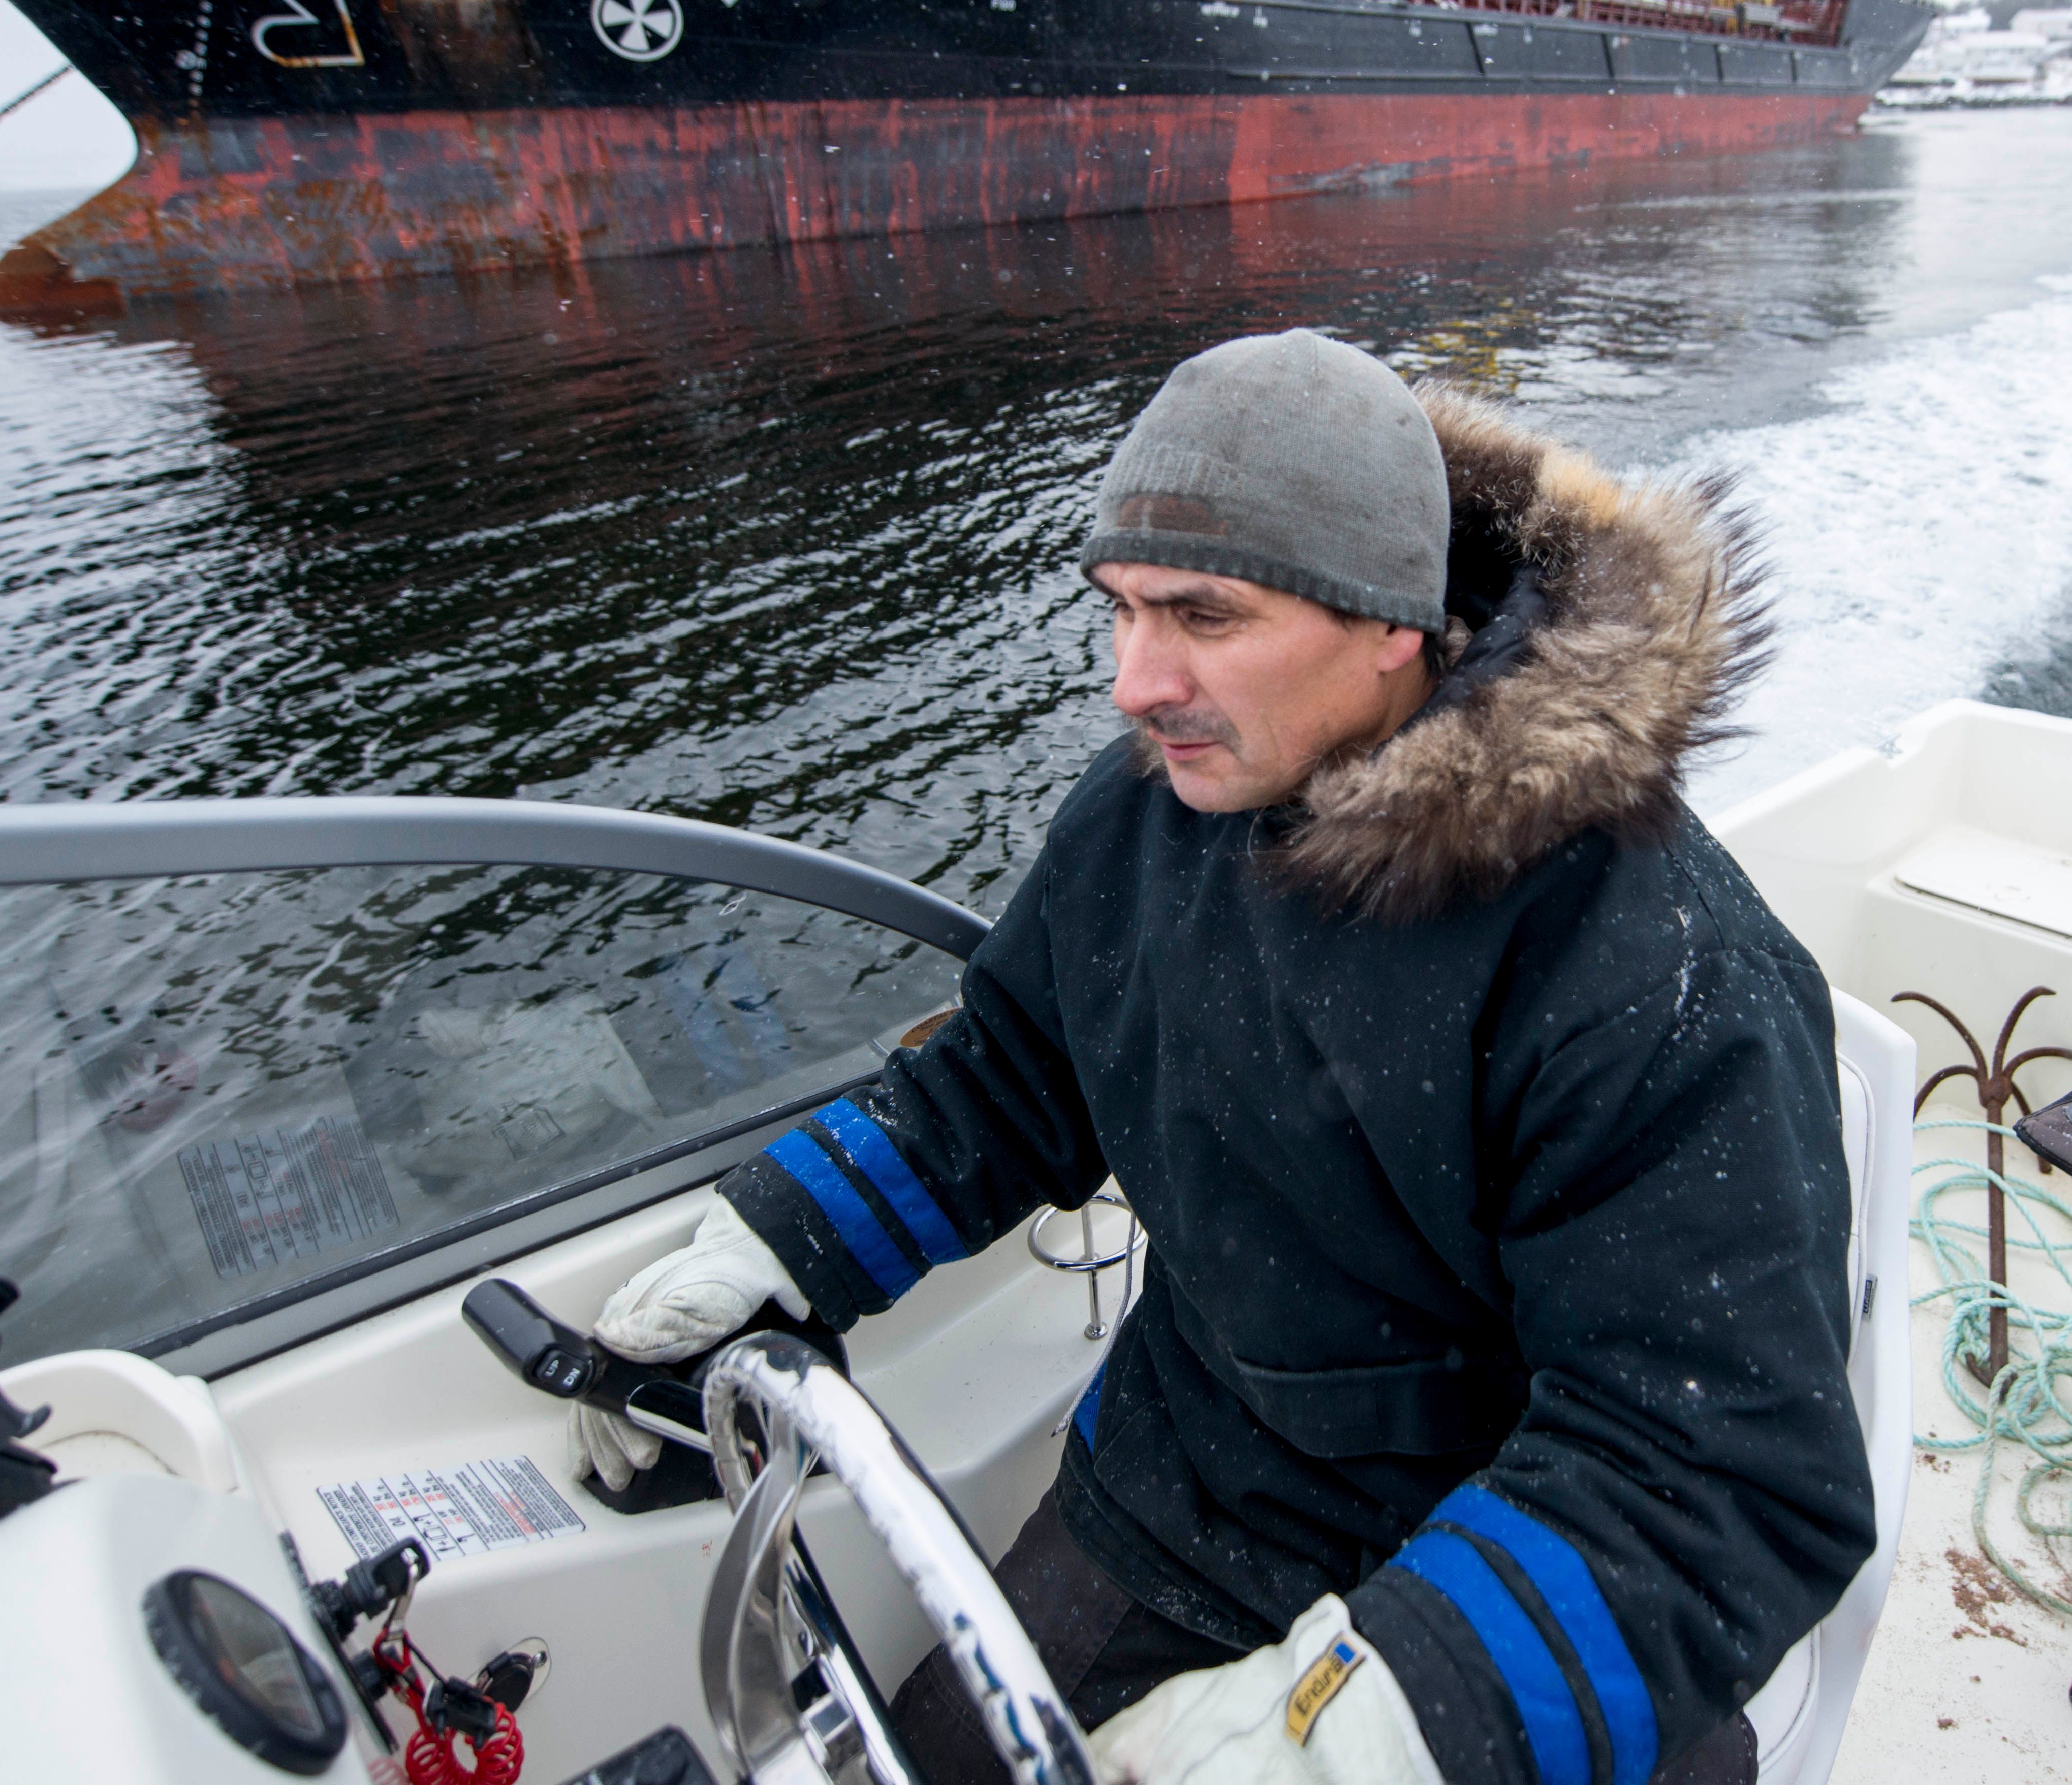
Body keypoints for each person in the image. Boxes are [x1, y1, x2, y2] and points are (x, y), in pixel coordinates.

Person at [572, 330, 1871, 1785]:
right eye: (1121, 611)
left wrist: (1374, 1724)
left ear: (1397, 621)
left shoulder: (1657, 968)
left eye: (1202, 613)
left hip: (1511, 1610)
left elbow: (1711, 1476)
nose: (1135, 683)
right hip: (1178, 1495)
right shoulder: (1147, 820)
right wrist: (782, 1243)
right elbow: (1016, 1078)